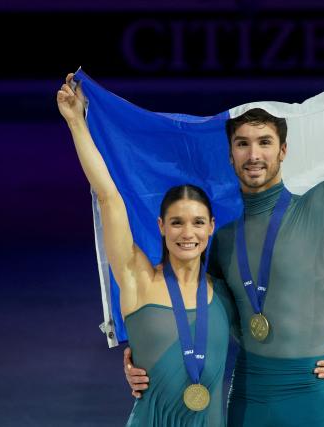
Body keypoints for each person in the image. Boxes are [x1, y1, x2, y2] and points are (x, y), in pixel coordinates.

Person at [125, 20, 324, 426]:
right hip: (248, 396)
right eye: (242, 144)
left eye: (264, 142)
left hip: (312, 392)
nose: (253, 154)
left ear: (283, 151)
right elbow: (192, 310)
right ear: (230, 157)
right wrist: (144, 357)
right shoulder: (222, 240)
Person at [58, 79, 241, 425]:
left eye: (198, 223)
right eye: (177, 223)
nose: (188, 233)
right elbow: (109, 195)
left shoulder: (223, 293)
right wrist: (76, 123)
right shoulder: (136, 278)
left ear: (212, 226)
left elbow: (275, 344)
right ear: (160, 226)